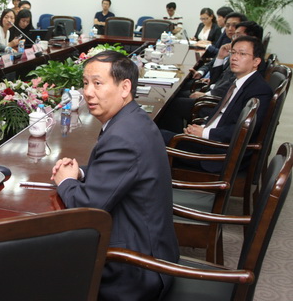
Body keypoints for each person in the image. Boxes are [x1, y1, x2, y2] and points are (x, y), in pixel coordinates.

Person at [51, 51, 179, 301]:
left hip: (135, 269)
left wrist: (66, 181)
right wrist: (80, 172)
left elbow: (87, 207)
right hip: (149, 247)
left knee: (45, 267)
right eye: (85, 83)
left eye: (97, 83)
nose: (88, 92)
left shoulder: (123, 136)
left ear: (125, 87)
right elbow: (123, 172)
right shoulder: (132, 119)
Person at [161, 35, 273, 173]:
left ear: (256, 61)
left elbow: (245, 130)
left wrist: (205, 133)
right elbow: (223, 114)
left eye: (242, 54)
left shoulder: (260, 91)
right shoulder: (241, 81)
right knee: (157, 133)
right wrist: (201, 128)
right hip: (213, 142)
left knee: (153, 136)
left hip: (217, 155)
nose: (234, 58)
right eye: (233, 52)